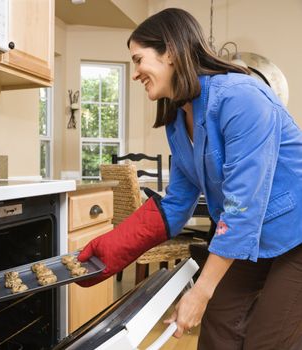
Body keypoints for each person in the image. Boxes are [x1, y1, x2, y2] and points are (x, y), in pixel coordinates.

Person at [77, 7, 302, 350]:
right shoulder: (177, 121)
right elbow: (176, 203)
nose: (136, 73)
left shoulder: (241, 97)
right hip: (250, 238)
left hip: (296, 231)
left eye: (139, 60)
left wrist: (200, 290)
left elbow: (242, 205)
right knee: (218, 331)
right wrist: (106, 252)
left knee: (268, 340)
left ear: (169, 52)